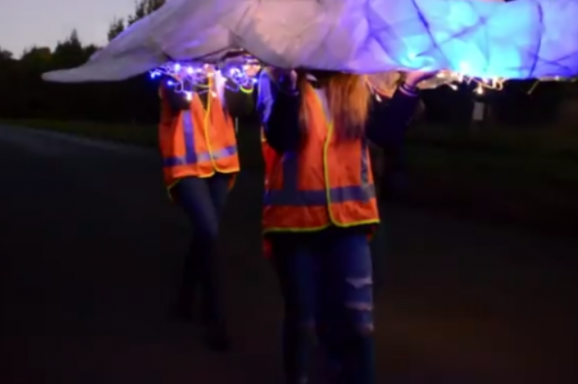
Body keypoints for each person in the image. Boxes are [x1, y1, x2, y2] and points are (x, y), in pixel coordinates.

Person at [258, 67, 434, 384]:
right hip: (294, 224)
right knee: (304, 321)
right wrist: (288, 87)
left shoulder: (356, 81)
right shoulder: (275, 75)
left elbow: (385, 134)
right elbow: (282, 137)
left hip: (350, 220)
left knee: (359, 324)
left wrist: (411, 83)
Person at [160, 64, 252, 352]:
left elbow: (242, 108)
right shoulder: (170, 73)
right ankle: (216, 318)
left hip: (221, 167)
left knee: (205, 234)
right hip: (187, 166)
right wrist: (191, 77)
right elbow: (179, 101)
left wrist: (241, 79)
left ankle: (185, 300)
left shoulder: (222, 74)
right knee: (209, 232)